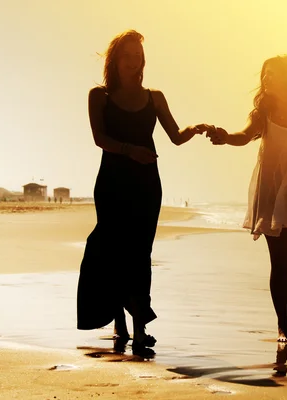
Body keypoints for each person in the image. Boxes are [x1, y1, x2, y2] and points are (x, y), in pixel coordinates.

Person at [76, 29, 213, 358]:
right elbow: (100, 138)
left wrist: (194, 129)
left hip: (146, 184)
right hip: (112, 182)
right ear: (115, 60)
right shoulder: (100, 96)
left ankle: (139, 328)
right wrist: (129, 150)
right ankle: (119, 323)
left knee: (139, 253)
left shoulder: (155, 97)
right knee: (111, 249)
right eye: (128, 55)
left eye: (138, 56)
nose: (134, 61)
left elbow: (175, 136)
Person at [207, 55, 287, 346]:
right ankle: (283, 328)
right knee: (281, 263)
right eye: (265, 75)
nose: (267, 80)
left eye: (274, 74)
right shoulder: (262, 115)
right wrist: (225, 137)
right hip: (273, 191)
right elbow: (243, 136)